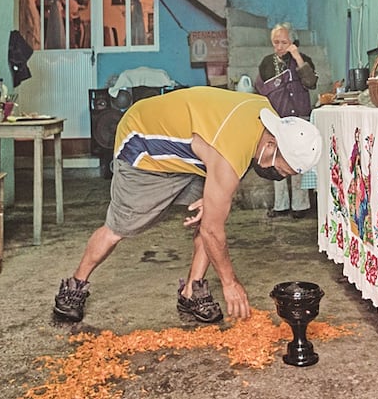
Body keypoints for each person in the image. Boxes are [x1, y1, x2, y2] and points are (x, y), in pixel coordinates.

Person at [52, 86, 322, 324]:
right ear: (272, 144)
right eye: (282, 170)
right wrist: (229, 283)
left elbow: (227, 150)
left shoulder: (264, 113)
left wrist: (214, 195)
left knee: (211, 218)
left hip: (190, 152)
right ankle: (74, 287)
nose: (280, 176)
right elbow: (214, 229)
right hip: (142, 141)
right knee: (119, 227)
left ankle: (192, 291)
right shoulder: (230, 154)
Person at [253, 23, 318, 219]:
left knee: (297, 159)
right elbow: (260, 89)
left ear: (293, 42)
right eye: (276, 42)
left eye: (284, 42)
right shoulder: (266, 63)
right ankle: (280, 205)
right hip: (277, 119)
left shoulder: (303, 60)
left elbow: (311, 83)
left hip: (299, 118)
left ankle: (300, 206)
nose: (279, 46)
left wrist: (296, 56)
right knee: (277, 160)